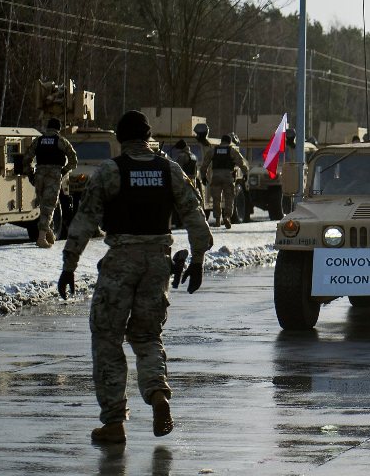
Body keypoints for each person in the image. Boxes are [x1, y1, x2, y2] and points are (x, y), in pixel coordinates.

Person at [57, 110, 213, 444]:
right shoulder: (169, 170)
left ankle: (114, 422)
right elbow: (195, 216)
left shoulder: (111, 171)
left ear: (120, 138)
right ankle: (158, 394)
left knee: (107, 336)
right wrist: (198, 259)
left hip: (121, 262)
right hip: (158, 262)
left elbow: (84, 220)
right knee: (146, 335)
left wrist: (69, 265)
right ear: (148, 138)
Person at [23, 118, 78, 248]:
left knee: (44, 205)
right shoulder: (60, 141)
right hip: (53, 176)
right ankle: (41, 238)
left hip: (40, 176)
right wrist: (63, 171)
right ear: (58, 129)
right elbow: (73, 160)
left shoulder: (39, 141)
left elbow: (26, 158)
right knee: (49, 206)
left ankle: (50, 234)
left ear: (48, 128)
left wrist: (31, 174)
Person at [199, 133, 248, 229]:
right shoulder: (232, 150)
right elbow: (241, 162)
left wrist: (203, 176)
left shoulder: (213, 150)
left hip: (216, 176)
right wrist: (245, 173)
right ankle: (227, 217)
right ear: (229, 142)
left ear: (221, 141)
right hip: (228, 176)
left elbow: (204, 164)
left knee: (216, 199)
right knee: (229, 198)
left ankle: (217, 220)